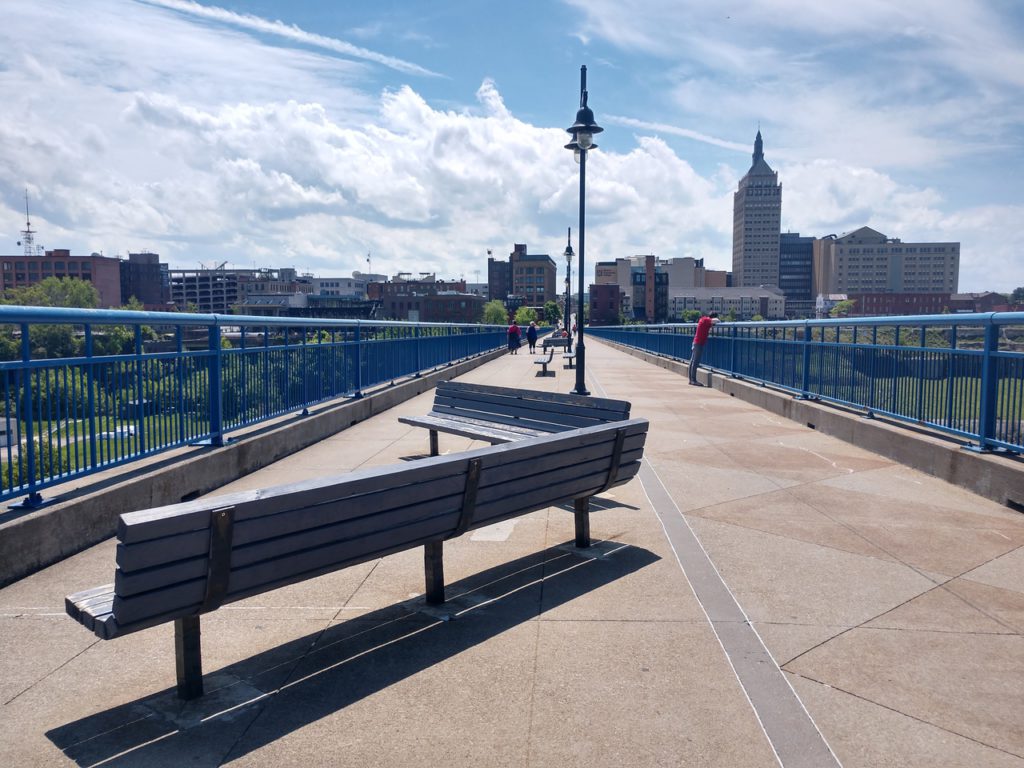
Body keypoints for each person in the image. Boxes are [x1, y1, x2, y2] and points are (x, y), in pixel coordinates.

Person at [689, 312, 719, 386]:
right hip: (698, 344)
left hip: (696, 342)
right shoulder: (706, 320)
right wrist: (716, 321)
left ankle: (691, 380)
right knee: (695, 362)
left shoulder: (703, 319)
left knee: (692, 361)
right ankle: (693, 380)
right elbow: (717, 320)